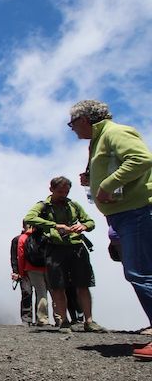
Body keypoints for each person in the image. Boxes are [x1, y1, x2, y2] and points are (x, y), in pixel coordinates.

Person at [68, 99, 152, 357]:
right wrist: (93, 179)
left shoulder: (114, 132)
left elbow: (141, 159)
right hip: (126, 213)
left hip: (136, 210)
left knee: (140, 272)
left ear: (84, 120)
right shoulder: (99, 139)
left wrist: (106, 185)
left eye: (72, 123)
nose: (72, 129)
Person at [24, 176, 106, 334]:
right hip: (55, 249)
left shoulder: (73, 205)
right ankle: (64, 321)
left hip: (77, 248)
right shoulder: (42, 206)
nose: (63, 194)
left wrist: (83, 226)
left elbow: (91, 222)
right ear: (51, 189)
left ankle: (89, 321)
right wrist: (55, 225)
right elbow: (29, 218)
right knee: (57, 286)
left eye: (66, 191)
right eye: (60, 191)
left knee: (83, 284)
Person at [11, 224, 50, 326]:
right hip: (41, 268)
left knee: (27, 293)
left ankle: (27, 319)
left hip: (27, 269)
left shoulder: (20, 238)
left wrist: (18, 271)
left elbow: (17, 256)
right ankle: (39, 318)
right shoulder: (45, 237)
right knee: (40, 293)